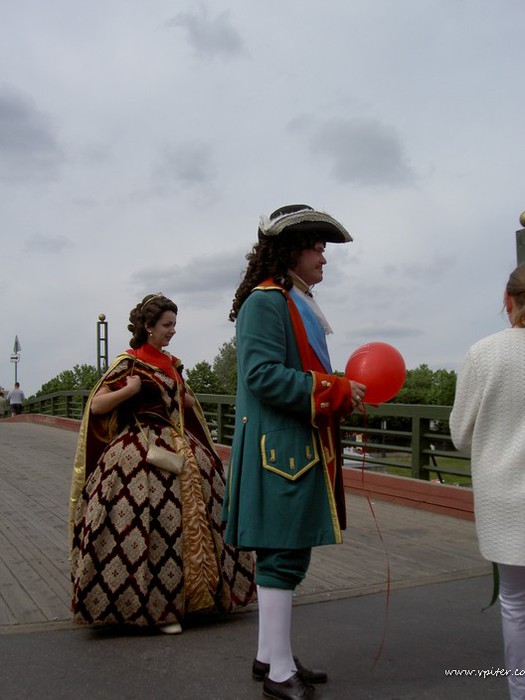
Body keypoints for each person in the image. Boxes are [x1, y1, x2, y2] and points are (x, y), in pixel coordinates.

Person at [222, 204, 366, 700]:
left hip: (292, 448)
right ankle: (279, 674)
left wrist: (333, 389)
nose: (324, 256)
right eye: (316, 246)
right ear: (290, 250)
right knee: (282, 556)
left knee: (288, 555)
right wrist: (336, 389)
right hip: (279, 450)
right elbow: (260, 376)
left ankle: (271, 657)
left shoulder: (289, 299)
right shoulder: (268, 301)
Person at [69, 293, 256, 632]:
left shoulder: (173, 363)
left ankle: (198, 598)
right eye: (166, 325)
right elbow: (97, 406)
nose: (172, 331)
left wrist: (186, 398)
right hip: (138, 450)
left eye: (174, 325)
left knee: (195, 516)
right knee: (150, 523)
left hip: (180, 445)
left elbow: (185, 404)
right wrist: (129, 391)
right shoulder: (130, 362)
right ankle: (159, 608)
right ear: (148, 327)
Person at [450, 263, 525, 700]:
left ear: (507, 300)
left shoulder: (483, 353)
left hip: (506, 500)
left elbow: (461, 435)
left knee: (515, 603)